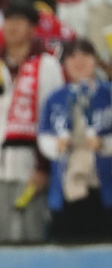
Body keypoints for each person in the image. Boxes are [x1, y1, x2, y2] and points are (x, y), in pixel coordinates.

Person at [0, 0, 64, 244]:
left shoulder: (47, 66)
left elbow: (53, 119)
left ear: (32, 29)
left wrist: (43, 167)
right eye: (8, 21)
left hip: (28, 165)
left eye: (20, 22)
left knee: (27, 234)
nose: (12, 27)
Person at [39, 39, 112, 242]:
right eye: (72, 56)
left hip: (104, 184)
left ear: (95, 60)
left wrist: (104, 144)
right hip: (67, 184)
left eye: (85, 55)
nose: (78, 62)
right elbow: (44, 134)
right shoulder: (55, 98)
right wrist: (57, 146)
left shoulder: (108, 94)